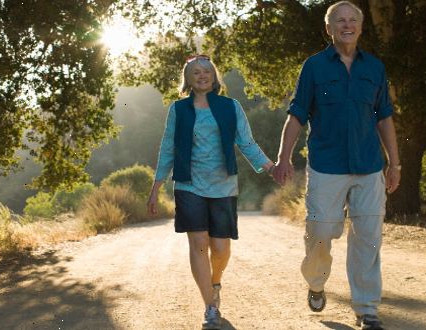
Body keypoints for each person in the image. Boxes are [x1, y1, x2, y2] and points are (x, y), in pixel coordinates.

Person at [272, 2, 400, 329]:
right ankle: (316, 281)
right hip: (327, 166)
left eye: (353, 20)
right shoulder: (314, 67)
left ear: (360, 26)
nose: (347, 25)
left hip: (369, 165)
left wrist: (394, 163)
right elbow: (297, 113)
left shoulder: (374, 68)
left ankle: (366, 308)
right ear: (328, 28)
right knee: (320, 232)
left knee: (368, 237)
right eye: (339, 21)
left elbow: (384, 116)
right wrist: (284, 157)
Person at [147, 54, 275, 330]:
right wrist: (156, 186)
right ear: (188, 79)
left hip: (223, 185)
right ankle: (210, 307)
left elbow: (246, 142)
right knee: (198, 244)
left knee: (220, 247)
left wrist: (269, 166)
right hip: (188, 184)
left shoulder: (230, 106)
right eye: (196, 72)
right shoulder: (178, 110)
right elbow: (167, 147)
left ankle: (215, 281)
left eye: (207, 71)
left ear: (215, 77)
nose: (202, 75)